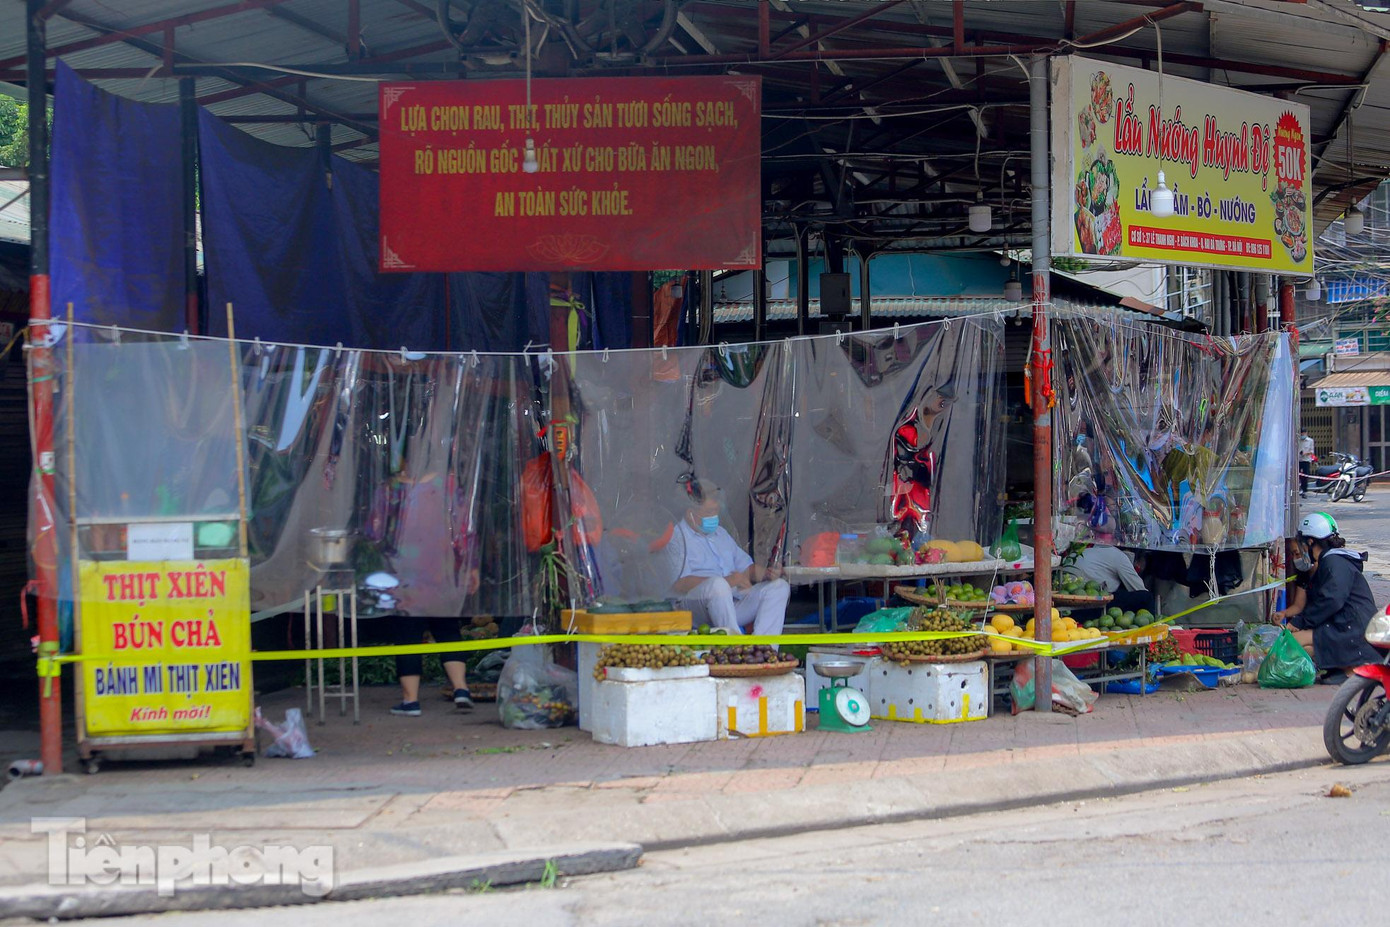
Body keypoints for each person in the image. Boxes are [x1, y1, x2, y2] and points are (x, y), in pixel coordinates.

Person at [668, 478, 789, 636]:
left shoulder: (720, 534)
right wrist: (728, 581)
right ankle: (734, 647)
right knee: (718, 585)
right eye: (709, 512)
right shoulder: (677, 538)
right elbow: (680, 584)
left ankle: (764, 649)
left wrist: (768, 573)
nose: (714, 517)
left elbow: (747, 569)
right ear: (690, 513)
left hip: (729, 604)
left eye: (716, 511)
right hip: (692, 610)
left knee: (779, 587)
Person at [1277, 512, 1380, 685]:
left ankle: (1352, 669)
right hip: (1343, 626)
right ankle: (1342, 667)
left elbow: (1331, 600)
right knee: (1303, 648)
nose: (1301, 551)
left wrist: (1300, 622)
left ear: (1310, 542)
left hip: (1352, 629)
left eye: (1302, 545)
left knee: (1291, 642)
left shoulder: (1334, 562)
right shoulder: (1332, 560)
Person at [1064, 544, 1156, 615]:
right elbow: (1140, 589)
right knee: (1147, 598)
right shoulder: (1118, 556)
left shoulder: (1085, 551)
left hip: (1067, 604)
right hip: (1090, 606)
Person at [1298, 429, 1315, 498]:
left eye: (1304, 433)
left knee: (1305, 476)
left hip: (1306, 460)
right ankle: (1298, 489)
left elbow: (1312, 451)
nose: (1302, 435)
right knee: (1298, 476)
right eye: (1301, 433)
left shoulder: (1310, 441)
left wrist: (1305, 453)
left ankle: (1304, 490)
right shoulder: (1298, 440)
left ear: (1306, 433)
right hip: (1298, 460)